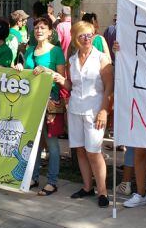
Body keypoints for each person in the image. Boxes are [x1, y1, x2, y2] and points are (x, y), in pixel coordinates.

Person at [53, 20, 113, 207]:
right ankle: (87, 187)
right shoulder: (72, 60)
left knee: (93, 151)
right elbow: (72, 86)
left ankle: (102, 191)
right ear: (75, 39)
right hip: (75, 109)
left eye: (90, 35)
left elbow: (109, 87)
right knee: (79, 149)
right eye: (82, 36)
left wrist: (104, 110)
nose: (87, 39)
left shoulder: (101, 58)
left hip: (94, 110)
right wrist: (61, 80)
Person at [15, 17, 66, 196]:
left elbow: (62, 79)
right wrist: (20, 67)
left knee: (51, 143)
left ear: (50, 31)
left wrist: (47, 71)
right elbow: (27, 73)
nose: (39, 30)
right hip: (31, 99)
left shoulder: (56, 51)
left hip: (50, 100)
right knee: (33, 141)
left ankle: (52, 181)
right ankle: (33, 176)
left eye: (43, 27)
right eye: (36, 27)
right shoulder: (29, 50)